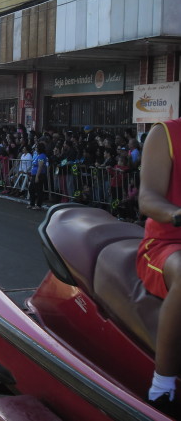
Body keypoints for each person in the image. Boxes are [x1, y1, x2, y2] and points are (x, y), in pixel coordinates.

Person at [136, 119, 181, 417]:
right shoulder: (166, 133)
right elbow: (148, 198)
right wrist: (176, 213)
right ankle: (162, 388)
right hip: (167, 244)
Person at [27, 142, 47, 210]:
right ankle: (32, 203)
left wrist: (37, 176)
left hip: (39, 175)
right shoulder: (38, 155)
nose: (35, 148)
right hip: (34, 174)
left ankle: (39, 205)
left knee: (38, 190)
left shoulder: (42, 156)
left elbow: (40, 167)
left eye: (36, 147)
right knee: (31, 189)